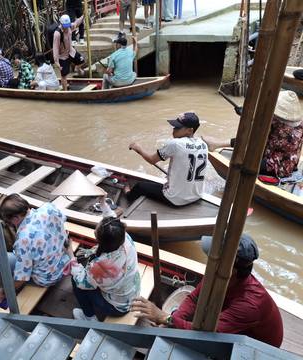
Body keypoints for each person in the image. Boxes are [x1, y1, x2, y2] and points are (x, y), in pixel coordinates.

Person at [131, 234, 284, 348]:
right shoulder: (218, 274)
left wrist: (164, 317)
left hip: (256, 346)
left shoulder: (250, 304)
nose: (210, 261)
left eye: (215, 258)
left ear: (230, 269)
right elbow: (194, 299)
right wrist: (170, 321)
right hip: (232, 323)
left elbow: (207, 334)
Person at [0, 194, 70, 307]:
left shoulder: (24, 239)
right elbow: (63, 219)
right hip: (63, 262)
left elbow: (22, 277)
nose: (11, 225)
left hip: (47, 278)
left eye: (9, 222)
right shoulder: (48, 208)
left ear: (16, 218)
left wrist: (3, 292)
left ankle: (5, 292)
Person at [204, 90, 303, 179]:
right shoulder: (297, 124)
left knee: (245, 155)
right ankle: (218, 143)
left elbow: (257, 132)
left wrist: (246, 116)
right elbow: (265, 121)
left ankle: (217, 144)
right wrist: (246, 114)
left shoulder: (283, 130)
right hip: (291, 163)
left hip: (276, 167)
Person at [68, 207, 141, 321]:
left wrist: (70, 254)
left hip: (118, 307)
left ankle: (89, 317)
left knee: (76, 279)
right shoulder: (124, 238)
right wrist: (103, 203)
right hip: (132, 294)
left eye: (96, 231)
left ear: (100, 240)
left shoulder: (100, 266)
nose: (94, 231)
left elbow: (81, 281)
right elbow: (113, 224)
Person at [125, 112, 207, 206]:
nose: (174, 129)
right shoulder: (203, 144)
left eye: (178, 127)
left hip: (176, 199)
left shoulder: (175, 143)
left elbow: (152, 160)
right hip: (197, 195)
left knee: (140, 186)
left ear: (189, 130)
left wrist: (138, 149)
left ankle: (127, 195)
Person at [53, 14, 85, 91]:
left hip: (71, 51)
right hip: (62, 56)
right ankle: (65, 91)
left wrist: (83, 16)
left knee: (82, 61)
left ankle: (77, 68)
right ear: (61, 24)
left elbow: (77, 23)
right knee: (64, 75)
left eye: (67, 26)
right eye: (65, 26)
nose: (66, 28)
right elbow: (55, 48)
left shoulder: (70, 26)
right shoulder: (57, 34)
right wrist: (56, 61)